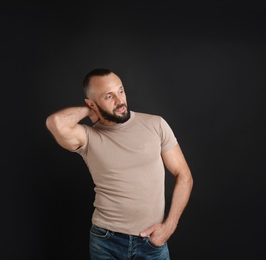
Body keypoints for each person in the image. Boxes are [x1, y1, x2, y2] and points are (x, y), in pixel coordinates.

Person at [45, 68, 193, 259]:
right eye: (109, 96)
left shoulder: (156, 124)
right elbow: (55, 122)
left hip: (152, 241)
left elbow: (184, 175)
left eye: (121, 91)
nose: (120, 100)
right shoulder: (88, 137)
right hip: (106, 240)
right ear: (92, 103)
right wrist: (90, 110)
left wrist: (169, 226)